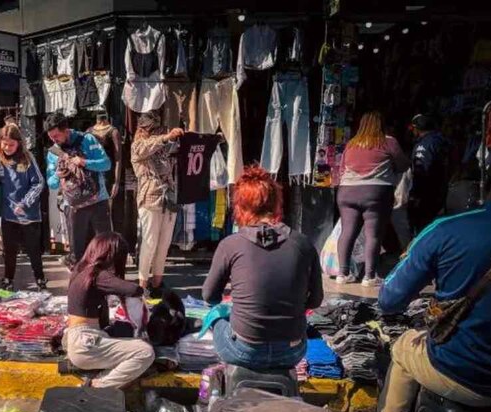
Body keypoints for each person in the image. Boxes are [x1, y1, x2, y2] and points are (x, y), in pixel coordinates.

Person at [374, 151, 491, 412]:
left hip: (464, 372)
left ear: (486, 185)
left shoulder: (449, 229)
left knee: (403, 346)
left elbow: (389, 300)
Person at [201, 166, 323, 370]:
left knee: (215, 314)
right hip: (291, 351)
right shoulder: (303, 243)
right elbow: (315, 300)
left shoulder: (230, 244)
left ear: (241, 207)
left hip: (243, 350)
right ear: (276, 204)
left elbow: (209, 296)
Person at [65, 232, 154, 388]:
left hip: (81, 338)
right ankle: (99, 385)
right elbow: (132, 289)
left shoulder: (80, 270)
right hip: (85, 343)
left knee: (124, 332)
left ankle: (99, 378)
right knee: (145, 352)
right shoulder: (96, 275)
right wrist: (145, 292)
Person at [336, 112, 410, 286]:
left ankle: (342, 274)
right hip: (376, 192)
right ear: (381, 125)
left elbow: (341, 169)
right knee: (373, 235)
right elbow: (404, 165)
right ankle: (369, 277)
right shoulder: (388, 141)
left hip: (346, 191)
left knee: (347, 232)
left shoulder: (352, 143)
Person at [45, 112, 113, 265]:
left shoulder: (88, 139)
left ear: (66, 130)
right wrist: (57, 175)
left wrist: (84, 162)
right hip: (73, 206)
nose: (53, 140)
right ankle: (79, 284)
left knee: (104, 249)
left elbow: (106, 164)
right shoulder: (53, 153)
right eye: (51, 137)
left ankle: (104, 282)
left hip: (98, 201)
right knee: (77, 253)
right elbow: (51, 183)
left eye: (56, 136)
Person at [130, 111, 185, 295]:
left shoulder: (163, 146)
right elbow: (146, 147)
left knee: (164, 243)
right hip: (150, 198)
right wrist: (166, 137)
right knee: (149, 243)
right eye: (153, 128)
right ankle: (142, 285)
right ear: (143, 129)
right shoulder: (138, 146)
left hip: (169, 198)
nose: (157, 131)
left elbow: (181, 150)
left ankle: (157, 283)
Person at [0, 123, 46, 291]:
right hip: (8, 214)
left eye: (11, 144)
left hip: (28, 215)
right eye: (5, 144)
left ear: (19, 143)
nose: (8, 148)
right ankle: (8, 279)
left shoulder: (27, 158)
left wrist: (25, 202)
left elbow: (38, 183)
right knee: (9, 250)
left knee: (33, 250)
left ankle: (40, 279)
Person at [408, 114, 450, 235]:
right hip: (441, 189)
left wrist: (416, 194)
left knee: (423, 227)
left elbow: (422, 171)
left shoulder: (424, 144)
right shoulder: (442, 140)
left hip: (427, 193)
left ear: (417, 128)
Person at [87, 113, 123, 203]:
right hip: (92, 173)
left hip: (107, 174)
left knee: (106, 204)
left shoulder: (113, 132)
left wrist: (116, 182)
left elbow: (118, 158)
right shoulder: (89, 131)